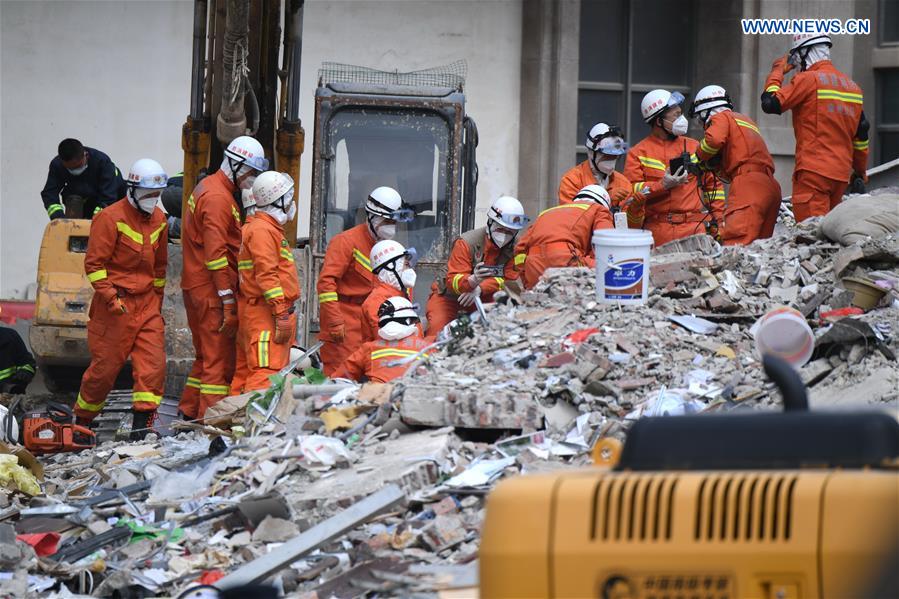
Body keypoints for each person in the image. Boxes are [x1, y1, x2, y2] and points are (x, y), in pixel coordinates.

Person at [74, 159, 168, 439]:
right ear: (133, 190)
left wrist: (157, 301)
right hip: (115, 306)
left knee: (153, 366)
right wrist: (111, 298)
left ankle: (142, 429)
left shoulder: (159, 219)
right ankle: (82, 423)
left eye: (157, 194)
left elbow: (160, 267)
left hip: (147, 303)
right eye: (149, 194)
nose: (154, 200)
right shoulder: (110, 218)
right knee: (104, 370)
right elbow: (94, 265)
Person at [179, 136, 268, 419]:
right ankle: (210, 425)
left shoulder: (212, 189)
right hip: (211, 290)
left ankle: (188, 413)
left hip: (199, 285)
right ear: (234, 164)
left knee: (205, 358)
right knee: (217, 363)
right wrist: (227, 300)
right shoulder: (218, 198)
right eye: (250, 172)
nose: (251, 179)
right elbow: (217, 256)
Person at [761, 33, 869, 222]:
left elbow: (770, 103)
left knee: (811, 236)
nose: (796, 65)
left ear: (805, 53)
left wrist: (777, 72)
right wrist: (859, 172)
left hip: (813, 173)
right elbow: (861, 137)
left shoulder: (808, 80)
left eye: (796, 58)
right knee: (830, 237)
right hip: (841, 176)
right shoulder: (853, 87)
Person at [316, 186, 413, 376]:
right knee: (342, 376)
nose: (391, 226)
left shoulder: (390, 248)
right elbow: (326, 283)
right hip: (346, 321)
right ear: (371, 217)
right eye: (386, 220)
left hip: (376, 321)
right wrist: (334, 320)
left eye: (394, 221)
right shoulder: (345, 242)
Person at [624, 89, 724, 246]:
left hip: (695, 229)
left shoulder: (695, 147)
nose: (682, 119)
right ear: (658, 121)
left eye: (681, 113)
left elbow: (713, 186)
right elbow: (631, 192)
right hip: (657, 232)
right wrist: (661, 186)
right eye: (676, 115)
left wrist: (718, 221)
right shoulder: (638, 153)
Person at [231, 171, 300, 395]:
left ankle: (234, 425)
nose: (291, 201)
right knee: (265, 372)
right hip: (266, 315)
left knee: (245, 373)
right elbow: (267, 275)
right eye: (288, 196)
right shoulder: (263, 231)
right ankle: (255, 427)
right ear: (277, 199)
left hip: (259, 311)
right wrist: (281, 312)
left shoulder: (262, 229)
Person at [690, 85, 782, 245]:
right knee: (759, 248)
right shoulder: (744, 120)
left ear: (705, 111)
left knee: (737, 244)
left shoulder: (720, 118)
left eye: (700, 118)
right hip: (770, 186)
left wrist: (697, 157)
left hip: (748, 184)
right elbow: (740, 150)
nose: (702, 124)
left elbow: (714, 140)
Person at [425, 196, 527, 337]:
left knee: (497, 329)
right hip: (449, 297)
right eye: (500, 229)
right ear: (490, 222)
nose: (504, 235)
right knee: (437, 333)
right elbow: (452, 280)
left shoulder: (518, 248)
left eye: (509, 231)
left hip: (484, 296)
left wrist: (480, 288)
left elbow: (513, 280)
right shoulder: (467, 242)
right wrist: (472, 281)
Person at [513, 185, 614, 289]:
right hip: (566, 260)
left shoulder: (545, 213)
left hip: (533, 265)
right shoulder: (599, 210)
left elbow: (519, 249)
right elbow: (605, 242)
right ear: (604, 204)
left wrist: (527, 282)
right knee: (610, 269)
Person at [558, 123, 643, 227]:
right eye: (606, 156)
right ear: (591, 153)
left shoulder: (623, 183)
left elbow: (629, 228)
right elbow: (571, 220)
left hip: (612, 241)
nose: (611, 161)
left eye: (615, 156)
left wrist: (635, 210)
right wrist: (606, 198)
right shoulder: (572, 180)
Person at [336, 297, 432, 384]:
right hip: (415, 398)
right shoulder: (428, 348)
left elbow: (340, 377)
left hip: (377, 398)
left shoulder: (369, 348)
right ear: (411, 321)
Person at [41, 138, 126, 220]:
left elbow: (109, 197)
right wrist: (59, 219)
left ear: (86, 156)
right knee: (72, 199)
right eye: (70, 168)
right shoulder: (57, 165)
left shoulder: (102, 162)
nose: (75, 171)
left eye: (78, 166)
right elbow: (49, 194)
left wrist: (97, 220)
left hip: (114, 198)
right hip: (85, 201)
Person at [362, 240, 418, 343]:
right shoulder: (379, 301)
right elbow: (387, 341)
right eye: (405, 264)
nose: (410, 270)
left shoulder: (400, 295)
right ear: (390, 267)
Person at [0, 319, 36, 395]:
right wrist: (3, 387)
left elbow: (28, 363)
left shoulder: (11, 336)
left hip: (12, 397)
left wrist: (25, 373)